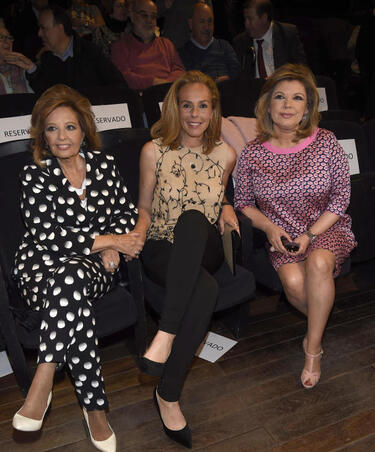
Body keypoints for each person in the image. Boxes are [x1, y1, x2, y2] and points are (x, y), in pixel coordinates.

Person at [11, 84, 143, 452]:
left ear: (84, 129)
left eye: (69, 127)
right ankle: (95, 411)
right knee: (72, 298)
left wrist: (113, 239)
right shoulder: (34, 175)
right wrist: (111, 241)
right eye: (52, 129)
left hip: (91, 270)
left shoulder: (105, 165)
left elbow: (125, 214)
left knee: (71, 279)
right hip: (40, 269)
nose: (61, 137)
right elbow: (49, 236)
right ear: (42, 135)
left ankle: (44, 377)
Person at [234, 63, 356, 389]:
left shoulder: (326, 142)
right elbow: (243, 202)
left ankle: (312, 349)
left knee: (318, 262)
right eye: (280, 97)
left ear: (306, 108)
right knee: (293, 285)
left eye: (297, 98)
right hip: (283, 234)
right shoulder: (252, 152)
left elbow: (340, 198)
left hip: (326, 226)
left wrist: (311, 234)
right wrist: (270, 229)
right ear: (268, 105)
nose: (288, 105)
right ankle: (318, 324)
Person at [133, 70, 239, 447]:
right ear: (175, 109)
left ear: (214, 111)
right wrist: (134, 239)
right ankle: (168, 393)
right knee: (206, 290)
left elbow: (215, 195)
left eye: (204, 106)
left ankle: (165, 333)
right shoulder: (153, 150)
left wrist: (227, 206)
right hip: (162, 244)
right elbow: (144, 208)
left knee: (194, 220)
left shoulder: (227, 154)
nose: (195, 114)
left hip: (205, 243)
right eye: (187, 105)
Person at [4, 5, 127, 96]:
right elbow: (47, 95)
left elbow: (119, 86)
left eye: (43, 28)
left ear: (60, 28)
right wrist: (32, 69)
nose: (39, 33)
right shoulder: (46, 59)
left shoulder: (90, 52)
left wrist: (89, 96)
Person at [111, 0, 185, 90]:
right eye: (144, 15)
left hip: (168, 94)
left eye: (153, 16)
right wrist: (153, 82)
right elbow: (124, 77)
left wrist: (165, 85)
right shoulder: (120, 47)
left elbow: (180, 71)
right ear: (133, 17)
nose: (149, 20)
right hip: (140, 97)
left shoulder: (166, 44)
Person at [232, 0, 307, 78]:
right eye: (245, 19)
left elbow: (301, 68)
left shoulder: (287, 34)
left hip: (282, 84)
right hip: (254, 88)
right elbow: (239, 76)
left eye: (250, 19)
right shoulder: (240, 42)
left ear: (264, 17)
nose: (246, 24)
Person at [178, 2, 240, 84]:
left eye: (210, 21)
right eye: (202, 21)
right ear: (191, 24)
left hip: (227, 90)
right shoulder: (183, 53)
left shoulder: (224, 46)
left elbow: (238, 72)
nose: (207, 27)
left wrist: (227, 79)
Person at [0, 24, 33, 94]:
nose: (7, 41)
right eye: (1, 37)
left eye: (9, 38)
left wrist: (32, 69)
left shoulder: (22, 68)